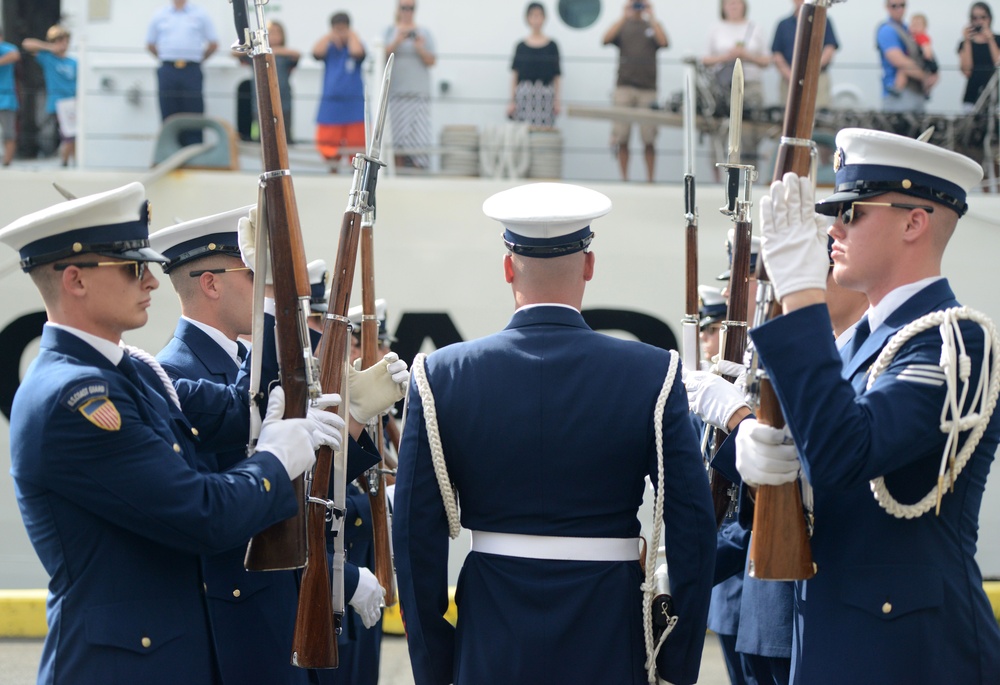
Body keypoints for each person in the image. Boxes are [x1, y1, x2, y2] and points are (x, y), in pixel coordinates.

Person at [0, 182, 345, 684]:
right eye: (132, 267)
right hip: (118, 668)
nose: (153, 282)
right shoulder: (77, 399)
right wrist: (275, 456)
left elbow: (235, 407)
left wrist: (284, 326)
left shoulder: (132, 371)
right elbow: (200, 514)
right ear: (75, 280)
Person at [393, 182, 717, 685]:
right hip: (607, 623)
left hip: (491, 629)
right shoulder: (653, 373)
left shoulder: (440, 375)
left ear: (507, 268)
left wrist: (438, 664)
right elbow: (693, 527)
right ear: (589, 265)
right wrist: (673, 659)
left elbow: (416, 537)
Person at [738, 128, 1000, 683]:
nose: (834, 228)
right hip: (830, 637)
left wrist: (804, 297)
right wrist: (745, 440)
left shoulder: (956, 341)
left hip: (910, 653)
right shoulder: (851, 344)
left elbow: (843, 454)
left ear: (914, 222)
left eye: (852, 212)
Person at [602, 1, 668, 183]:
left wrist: (652, 17)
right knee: (621, 136)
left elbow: (663, 42)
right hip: (623, 87)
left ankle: (650, 180)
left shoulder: (652, 25)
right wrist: (624, 15)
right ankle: (624, 179)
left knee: (649, 138)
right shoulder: (623, 25)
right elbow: (605, 39)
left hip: (648, 89)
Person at [146, 0, 219, 146]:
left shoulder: (200, 14)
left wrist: (197, 60)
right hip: (168, 69)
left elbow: (213, 43)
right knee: (168, 112)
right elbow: (150, 44)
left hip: (191, 69)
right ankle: (170, 151)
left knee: (194, 113)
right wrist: (167, 59)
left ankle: (194, 154)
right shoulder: (160, 14)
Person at [384, 0, 437, 170]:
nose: (407, 12)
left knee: (419, 141)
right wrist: (397, 41)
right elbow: (381, 57)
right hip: (396, 94)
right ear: (398, 9)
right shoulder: (389, 32)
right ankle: (398, 176)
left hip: (418, 94)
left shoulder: (424, 33)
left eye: (411, 8)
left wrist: (419, 47)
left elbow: (431, 61)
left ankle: (417, 177)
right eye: (404, 8)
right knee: (397, 141)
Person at [314, 12, 366, 171]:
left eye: (343, 29)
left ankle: (355, 177)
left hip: (354, 106)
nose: (340, 32)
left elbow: (358, 52)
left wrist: (351, 36)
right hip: (331, 106)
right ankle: (332, 173)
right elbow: (316, 52)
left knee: (357, 147)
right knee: (328, 146)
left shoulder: (355, 44)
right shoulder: (329, 47)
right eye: (337, 29)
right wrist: (330, 37)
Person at [21, 26, 77, 167]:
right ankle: (64, 161)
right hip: (58, 102)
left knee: (72, 134)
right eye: (60, 41)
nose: (63, 45)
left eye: (65, 41)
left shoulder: (74, 62)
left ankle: (72, 161)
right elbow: (27, 44)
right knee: (68, 134)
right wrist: (50, 47)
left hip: (73, 102)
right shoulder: (48, 58)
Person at [239, 20, 300, 143]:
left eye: (277, 33)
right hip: (260, 103)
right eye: (270, 33)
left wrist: (274, 50)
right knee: (261, 136)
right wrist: (259, 48)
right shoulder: (257, 55)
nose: (274, 35)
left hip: (283, 102)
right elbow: (236, 53)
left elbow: (297, 54)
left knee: (284, 136)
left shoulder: (286, 55)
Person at [771, 0, 838, 108]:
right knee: (788, 114)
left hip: (817, 79)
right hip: (789, 79)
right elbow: (776, 53)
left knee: (819, 116)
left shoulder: (823, 20)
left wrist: (811, 70)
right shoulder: (783, 24)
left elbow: (829, 49)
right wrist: (790, 75)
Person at [876, 0, 937, 113]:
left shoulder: (909, 29)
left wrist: (934, 71)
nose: (899, 9)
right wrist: (925, 76)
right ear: (887, 7)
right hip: (899, 96)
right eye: (894, 6)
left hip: (917, 92)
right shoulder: (887, 30)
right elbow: (900, 61)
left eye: (902, 5)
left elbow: (926, 52)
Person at [507, 2, 562, 128]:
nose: (536, 19)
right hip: (524, 96)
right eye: (533, 15)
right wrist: (512, 100)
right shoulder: (521, 46)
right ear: (527, 18)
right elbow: (515, 76)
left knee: (544, 135)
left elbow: (557, 76)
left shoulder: (552, 46)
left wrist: (557, 101)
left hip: (546, 96)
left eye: (539, 15)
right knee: (523, 132)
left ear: (544, 18)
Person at [958, 2, 1000, 112]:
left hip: (994, 96)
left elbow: (998, 63)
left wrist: (990, 39)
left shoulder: (997, 40)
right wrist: (967, 41)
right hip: (972, 94)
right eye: (974, 17)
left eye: (983, 17)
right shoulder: (965, 43)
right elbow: (967, 71)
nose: (979, 21)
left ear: (989, 18)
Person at [896, 13, 937, 96]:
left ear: (924, 28)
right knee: (903, 72)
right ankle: (898, 89)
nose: (914, 28)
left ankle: (897, 89)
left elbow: (927, 49)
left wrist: (927, 55)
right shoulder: (912, 37)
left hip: (925, 63)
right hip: (920, 62)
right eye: (913, 25)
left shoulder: (922, 37)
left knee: (903, 71)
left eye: (917, 25)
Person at [0, 26, 20, 167]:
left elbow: (15, 55)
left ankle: (7, 162)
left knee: (8, 132)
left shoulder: (8, 49)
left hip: (6, 98)